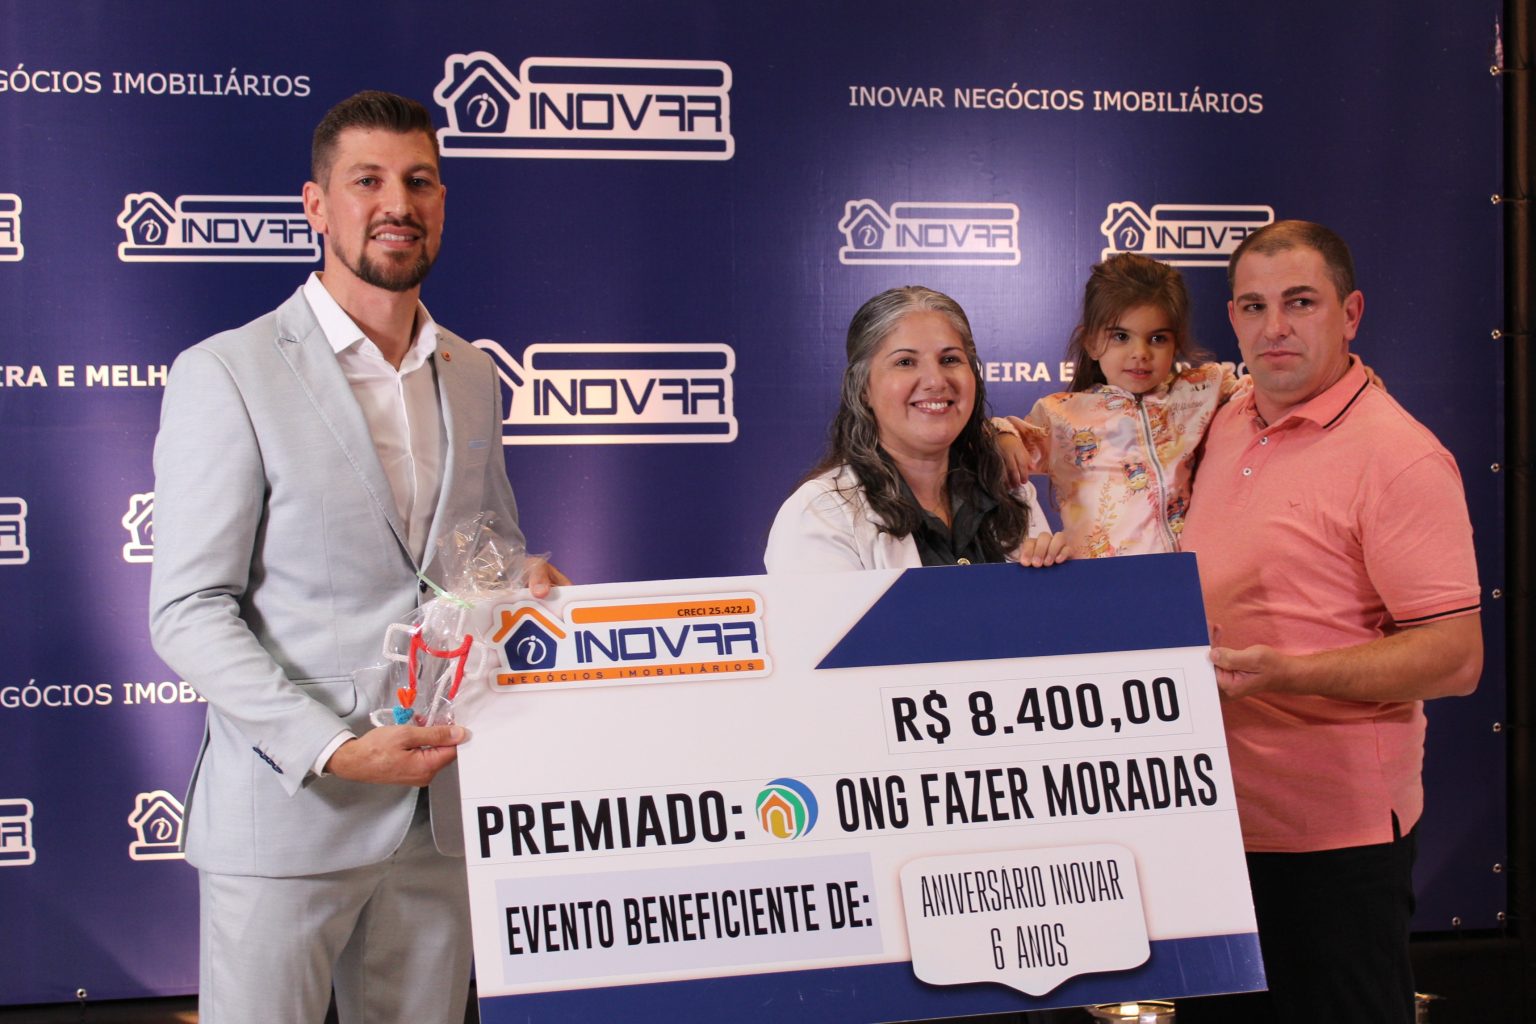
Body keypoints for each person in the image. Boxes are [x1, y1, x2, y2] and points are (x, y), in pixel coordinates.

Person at [148, 91, 566, 1023]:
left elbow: (482, 552)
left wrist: (522, 581)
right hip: (291, 810)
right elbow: (188, 610)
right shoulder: (228, 372)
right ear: (316, 205)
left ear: (442, 203)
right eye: (367, 181)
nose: (396, 204)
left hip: (438, 808)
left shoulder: (471, 370)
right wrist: (333, 749)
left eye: (419, 181)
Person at [1177, 221, 1482, 1023]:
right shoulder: (1225, 417)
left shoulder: (1400, 456)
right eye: (1253, 306)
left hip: (1333, 846)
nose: (1274, 327)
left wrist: (1289, 672)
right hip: (1211, 824)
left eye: (1300, 302)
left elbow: (1456, 659)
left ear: (1350, 313)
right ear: (1233, 318)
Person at [765, 284, 1068, 572]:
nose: (936, 380)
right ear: (862, 388)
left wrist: (1053, 585)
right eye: (905, 362)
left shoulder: (1011, 491)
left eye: (950, 359)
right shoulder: (820, 515)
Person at [995, 253, 1245, 558]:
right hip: (1100, 579)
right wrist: (1002, 435)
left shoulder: (1200, 390)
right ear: (1091, 342)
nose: (1140, 353)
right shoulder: (1061, 414)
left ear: (1176, 343)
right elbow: (995, 442)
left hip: (1186, 575)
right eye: (1121, 336)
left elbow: (1263, 397)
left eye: (1157, 339)